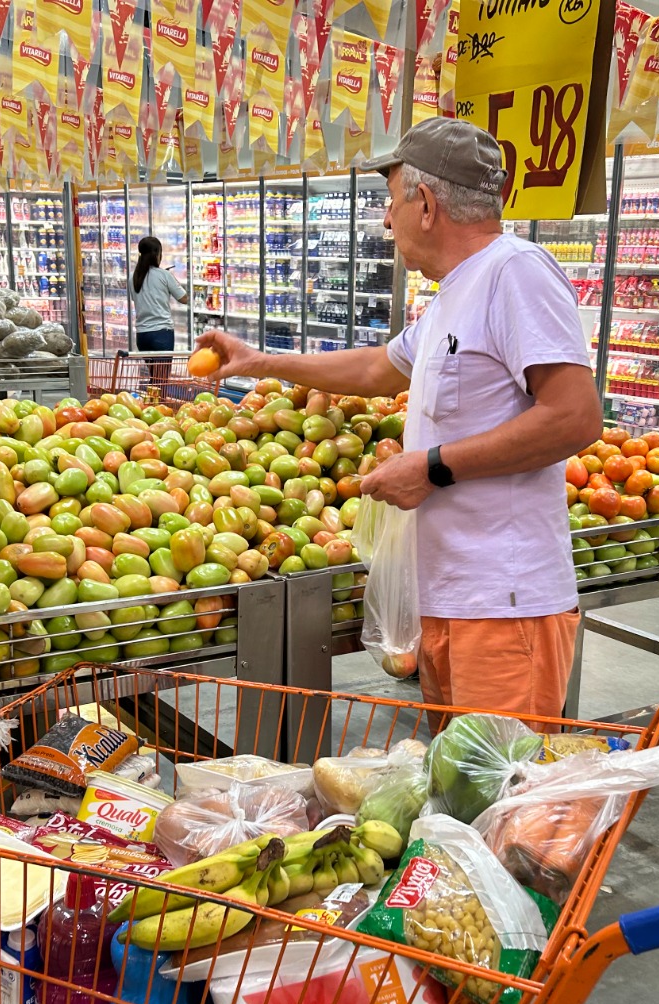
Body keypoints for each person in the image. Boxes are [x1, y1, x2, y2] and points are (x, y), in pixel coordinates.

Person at [194, 117, 603, 718]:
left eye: (392, 202)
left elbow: (574, 417)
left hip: (504, 602)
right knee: (455, 775)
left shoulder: (516, 271)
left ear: (427, 205)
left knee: (501, 777)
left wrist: (431, 468)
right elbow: (377, 368)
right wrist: (259, 360)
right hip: (449, 597)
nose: (387, 221)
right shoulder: (456, 292)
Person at [129, 235, 185, 388]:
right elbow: (183, 298)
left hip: (142, 335)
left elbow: (137, 299)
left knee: (155, 378)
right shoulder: (164, 275)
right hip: (161, 334)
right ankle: (158, 403)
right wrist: (173, 282)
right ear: (157, 254)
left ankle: (151, 402)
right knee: (161, 381)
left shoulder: (133, 277)